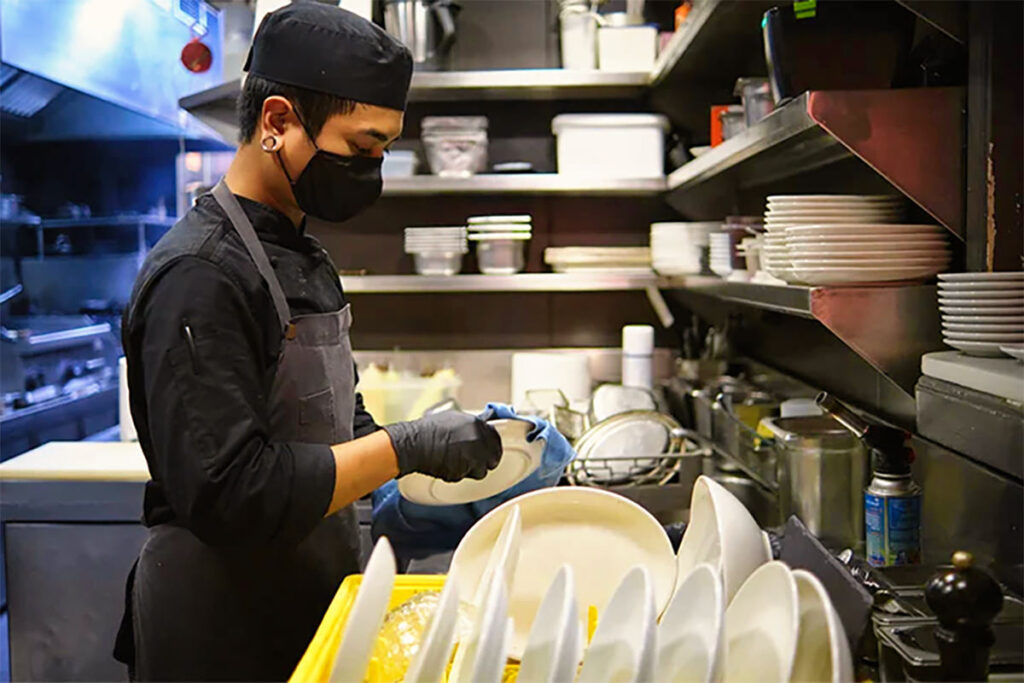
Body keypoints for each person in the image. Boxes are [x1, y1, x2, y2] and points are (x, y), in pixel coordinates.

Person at [113, 4, 501, 681]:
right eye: (361, 147)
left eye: (383, 149)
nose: (373, 169)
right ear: (278, 122)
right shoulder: (199, 276)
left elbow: (334, 421)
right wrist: (408, 444)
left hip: (305, 602)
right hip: (217, 625)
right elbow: (231, 492)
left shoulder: (304, 255)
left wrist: (404, 494)